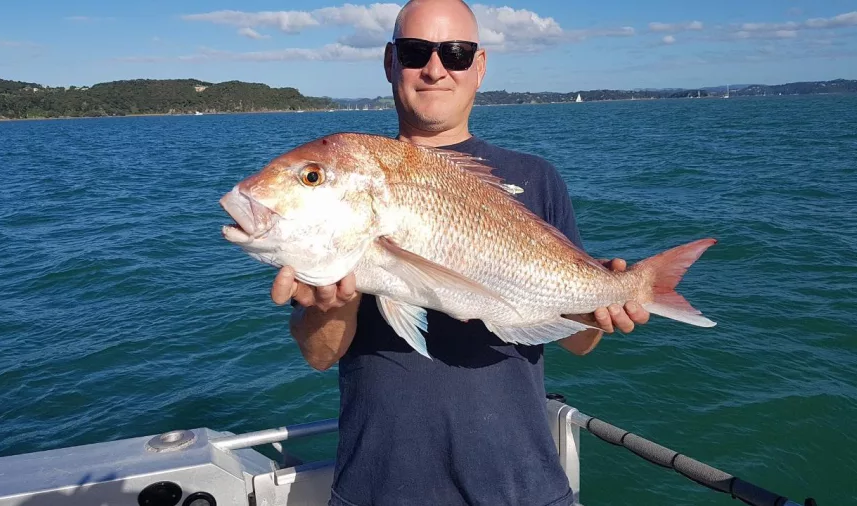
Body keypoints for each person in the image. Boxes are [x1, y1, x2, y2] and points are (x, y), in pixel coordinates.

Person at [271, 1, 650, 504]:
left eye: (455, 52)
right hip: (379, 487)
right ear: (389, 62)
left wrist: (606, 306)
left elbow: (579, 343)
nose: (435, 68)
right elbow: (320, 355)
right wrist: (331, 304)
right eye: (414, 52)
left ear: (480, 66)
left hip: (523, 486)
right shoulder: (339, 196)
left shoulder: (537, 178)